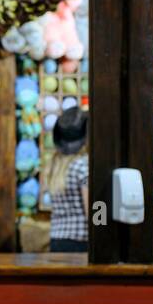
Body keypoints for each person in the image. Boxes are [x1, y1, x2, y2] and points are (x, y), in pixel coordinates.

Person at [45, 107, 90, 252]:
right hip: (81, 241)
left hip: (57, 240)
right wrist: (102, 231)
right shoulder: (84, 166)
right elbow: (94, 207)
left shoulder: (54, 166)